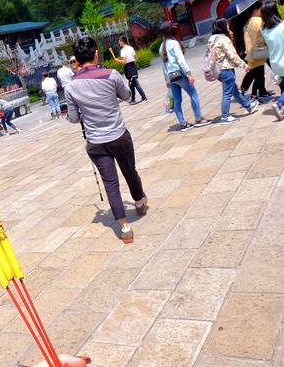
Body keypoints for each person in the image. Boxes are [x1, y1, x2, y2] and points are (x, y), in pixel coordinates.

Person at [64, 37, 148, 244]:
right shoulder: (111, 75)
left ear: (77, 60)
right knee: (130, 171)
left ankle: (124, 228)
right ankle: (139, 202)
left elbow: (73, 118)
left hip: (96, 142)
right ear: (96, 54)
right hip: (119, 135)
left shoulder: (70, 87)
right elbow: (126, 96)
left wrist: (84, 111)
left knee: (110, 184)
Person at [160, 21, 212, 131]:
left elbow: (164, 66)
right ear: (173, 30)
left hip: (171, 77)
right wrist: (189, 73)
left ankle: (182, 124)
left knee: (177, 100)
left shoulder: (162, 46)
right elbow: (181, 61)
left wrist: (167, 80)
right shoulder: (174, 43)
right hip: (180, 74)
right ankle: (198, 119)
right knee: (193, 95)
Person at [209, 18, 259, 123]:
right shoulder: (224, 39)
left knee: (234, 90)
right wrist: (244, 65)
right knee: (227, 93)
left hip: (216, 70)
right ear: (223, 27)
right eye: (227, 25)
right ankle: (225, 116)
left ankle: (248, 106)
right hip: (226, 69)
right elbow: (232, 56)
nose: (228, 27)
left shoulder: (212, 39)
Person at [240, 1, 273, 99]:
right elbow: (263, 35)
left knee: (256, 73)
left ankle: (251, 92)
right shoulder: (258, 20)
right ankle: (252, 95)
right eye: (260, 9)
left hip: (252, 51)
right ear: (255, 10)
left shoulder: (247, 22)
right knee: (259, 74)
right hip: (261, 50)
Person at [260, 1, 284, 120]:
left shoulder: (264, 30)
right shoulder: (283, 26)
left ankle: (282, 109)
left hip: (275, 63)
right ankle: (279, 104)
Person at [115, 36, 147, 104]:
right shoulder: (131, 48)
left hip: (128, 67)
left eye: (119, 42)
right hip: (132, 66)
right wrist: (132, 63)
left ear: (122, 42)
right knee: (131, 84)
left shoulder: (123, 50)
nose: (119, 43)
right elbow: (136, 58)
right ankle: (133, 99)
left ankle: (144, 97)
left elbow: (124, 62)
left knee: (135, 83)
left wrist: (117, 60)